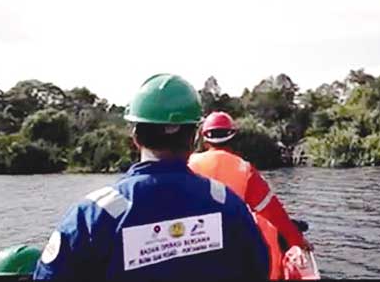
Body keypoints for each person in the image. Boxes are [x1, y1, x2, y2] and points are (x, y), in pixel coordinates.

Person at [33, 74, 269, 281]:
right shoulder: (227, 204)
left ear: (135, 136)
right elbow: (259, 269)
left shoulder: (93, 215)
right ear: (194, 138)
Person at [188, 111, 316, 279]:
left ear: (204, 139)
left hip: (195, 248)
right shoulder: (244, 169)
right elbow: (274, 213)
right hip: (233, 252)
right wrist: (297, 241)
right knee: (265, 225)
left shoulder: (188, 164)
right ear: (233, 137)